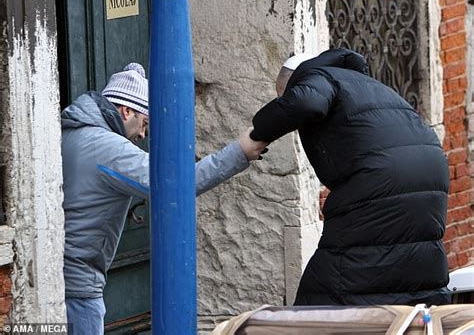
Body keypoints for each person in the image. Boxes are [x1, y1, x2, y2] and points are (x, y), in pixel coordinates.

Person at [61, 63, 267, 334]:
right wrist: (239, 152)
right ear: (126, 110)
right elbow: (175, 184)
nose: (143, 134)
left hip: (55, 276)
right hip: (79, 283)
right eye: (144, 122)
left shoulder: (68, 133)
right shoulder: (107, 148)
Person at [250, 48, 450, 306]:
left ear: (293, 82)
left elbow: (305, 103)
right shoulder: (368, 85)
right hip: (430, 174)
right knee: (412, 259)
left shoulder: (317, 77)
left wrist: (258, 133)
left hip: (380, 178)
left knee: (332, 280)